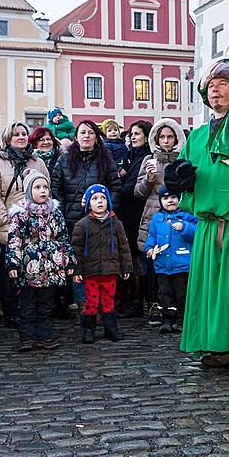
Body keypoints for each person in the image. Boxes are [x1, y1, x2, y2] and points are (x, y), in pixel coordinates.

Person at [164, 60, 229, 378]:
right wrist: (177, 177)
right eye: (211, 85)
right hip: (209, 226)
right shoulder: (196, 137)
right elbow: (183, 173)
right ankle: (222, 346)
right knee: (215, 290)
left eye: (223, 83)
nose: (215, 89)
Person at [0, 122, 49, 329]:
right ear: (7, 138)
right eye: (16, 134)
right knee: (8, 273)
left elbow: (48, 189)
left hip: (35, 225)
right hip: (9, 225)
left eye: (23, 134)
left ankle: (30, 312)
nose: (20, 137)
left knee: (31, 270)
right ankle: (11, 312)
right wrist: (5, 218)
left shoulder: (37, 162)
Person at [51, 120, 120, 307]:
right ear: (76, 137)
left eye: (91, 133)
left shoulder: (105, 160)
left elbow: (115, 186)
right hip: (72, 219)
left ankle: (101, 304)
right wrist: (62, 211)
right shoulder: (65, 159)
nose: (87, 136)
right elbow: (56, 187)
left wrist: (107, 208)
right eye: (83, 132)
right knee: (77, 262)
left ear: (97, 138)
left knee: (97, 261)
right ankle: (83, 306)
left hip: (100, 220)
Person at [6, 170, 75, 351]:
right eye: (37, 187)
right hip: (29, 266)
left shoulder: (55, 213)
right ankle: (27, 337)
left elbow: (63, 237)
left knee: (46, 304)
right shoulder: (21, 214)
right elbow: (15, 239)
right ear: (29, 190)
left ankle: (45, 336)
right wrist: (13, 262)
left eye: (45, 187)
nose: (42, 191)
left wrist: (68, 260)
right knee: (28, 305)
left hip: (51, 266)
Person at [134, 119, 187, 327]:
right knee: (153, 264)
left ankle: (177, 308)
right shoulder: (149, 159)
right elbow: (138, 192)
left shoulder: (183, 159)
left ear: (176, 138)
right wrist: (148, 178)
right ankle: (155, 305)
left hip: (176, 217)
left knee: (177, 267)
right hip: (153, 217)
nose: (165, 141)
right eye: (162, 137)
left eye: (169, 137)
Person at [72, 184, 132, 343]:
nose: (100, 201)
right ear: (88, 203)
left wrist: (126, 267)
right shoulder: (82, 225)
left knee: (108, 302)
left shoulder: (116, 223)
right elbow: (76, 251)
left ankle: (111, 329)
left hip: (110, 271)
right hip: (90, 272)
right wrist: (76, 271)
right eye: (95, 198)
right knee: (91, 303)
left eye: (103, 198)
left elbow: (123, 246)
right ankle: (88, 330)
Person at [143, 187, 197, 335]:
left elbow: (198, 232)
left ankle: (181, 319)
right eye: (165, 198)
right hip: (162, 265)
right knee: (165, 294)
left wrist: (185, 227)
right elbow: (151, 237)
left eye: (173, 197)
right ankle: (167, 319)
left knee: (182, 294)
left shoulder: (186, 216)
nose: (170, 201)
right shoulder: (157, 219)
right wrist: (149, 248)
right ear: (160, 201)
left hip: (182, 264)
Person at [116, 120, 152, 317]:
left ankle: (136, 301)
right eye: (131, 134)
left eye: (136, 134)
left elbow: (130, 187)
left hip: (136, 213)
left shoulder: (145, 157)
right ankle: (130, 299)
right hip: (127, 213)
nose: (132, 137)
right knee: (128, 256)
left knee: (135, 258)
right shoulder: (130, 155)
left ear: (146, 136)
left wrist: (118, 186)